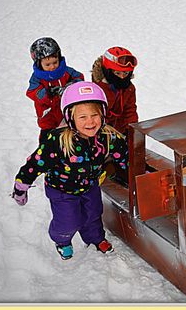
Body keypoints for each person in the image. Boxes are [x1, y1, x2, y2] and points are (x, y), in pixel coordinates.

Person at [12, 81, 129, 260]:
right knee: (68, 220)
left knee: (93, 214)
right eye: (82, 117)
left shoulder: (108, 137)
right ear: (70, 117)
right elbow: (35, 163)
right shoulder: (58, 141)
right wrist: (21, 186)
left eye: (94, 115)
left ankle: (95, 239)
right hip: (61, 190)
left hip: (90, 185)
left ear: (103, 114)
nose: (90, 122)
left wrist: (132, 174)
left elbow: (123, 156)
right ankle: (62, 240)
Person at [26, 37, 84, 142]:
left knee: (70, 139)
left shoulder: (66, 71)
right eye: (47, 64)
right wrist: (47, 93)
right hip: (48, 118)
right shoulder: (37, 78)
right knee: (47, 142)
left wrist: (71, 85)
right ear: (39, 64)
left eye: (55, 62)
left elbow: (79, 77)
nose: (52, 67)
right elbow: (33, 92)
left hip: (66, 115)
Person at [91, 46, 139, 135]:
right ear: (108, 71)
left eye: (126, 73)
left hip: (120, 132)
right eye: (117, 73)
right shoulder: (97, 90)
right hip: (101, 133)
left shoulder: (129, 89)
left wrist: (131, 131)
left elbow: (130, 111)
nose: (122, 77)